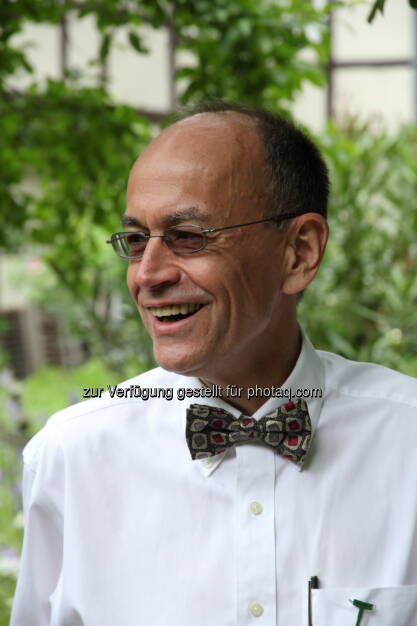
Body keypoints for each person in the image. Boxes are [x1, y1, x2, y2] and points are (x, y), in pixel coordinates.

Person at [10, 101, 417, 626]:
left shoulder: (407, 441)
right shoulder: (71, 459)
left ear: (299, 252)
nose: (148, 274)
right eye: (136, 241)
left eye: (188, 237)